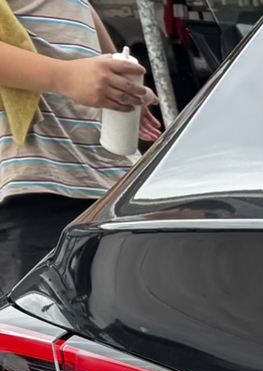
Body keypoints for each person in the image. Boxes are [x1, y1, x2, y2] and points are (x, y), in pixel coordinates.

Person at [0, 0, 158, 290]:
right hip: (37, 188)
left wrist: (124, 90)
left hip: (111, 189)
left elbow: (97, 37)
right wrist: (64, 77)